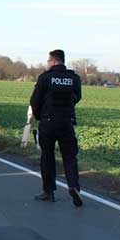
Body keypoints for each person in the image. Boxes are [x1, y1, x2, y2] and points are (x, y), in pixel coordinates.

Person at [29, 49, 83, 207]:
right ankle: (73, 186)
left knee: (47, 156)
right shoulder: (74, 78)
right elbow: (77, 97)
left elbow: (35, 101)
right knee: (70, 156)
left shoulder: (45, 78)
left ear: (53, 61)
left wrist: (40, 116)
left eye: (48, 61)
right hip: (67, 122)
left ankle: (48, 192)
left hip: (48, 122)